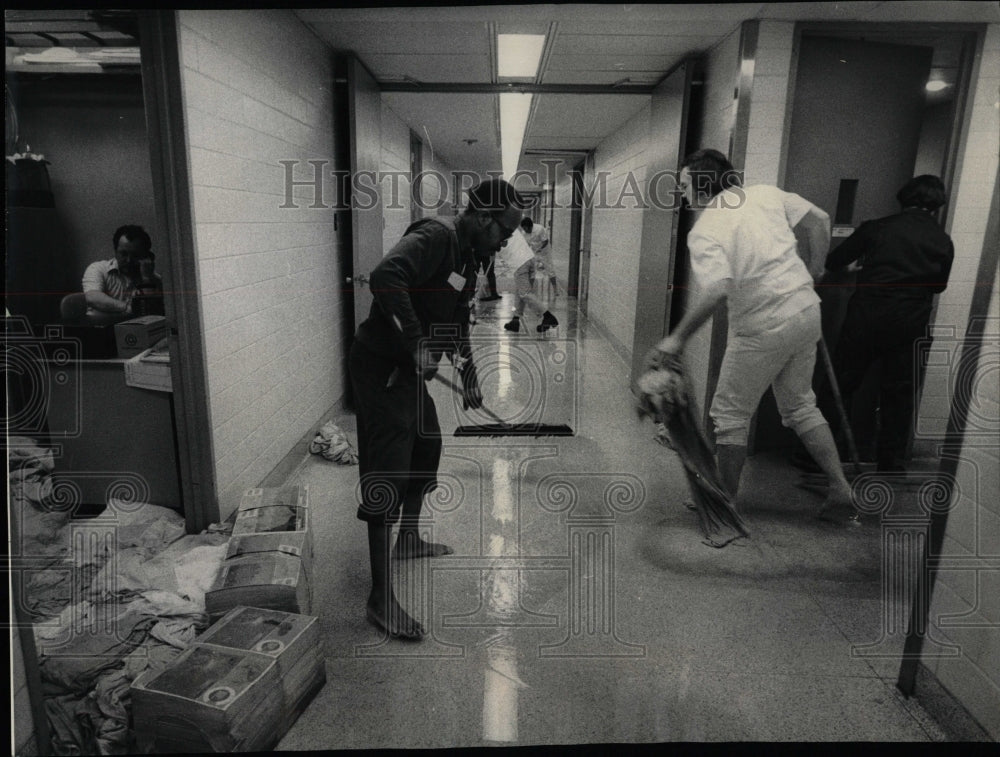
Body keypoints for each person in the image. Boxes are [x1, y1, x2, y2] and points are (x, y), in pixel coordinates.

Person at [350, 178, 525, 640]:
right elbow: (386, 277)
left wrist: (466, 371)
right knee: (386, 471)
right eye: (503, 232)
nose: (506, 242)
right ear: (483, 217)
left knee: (426, 445)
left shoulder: (472, 256)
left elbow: (454, 317)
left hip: (407, 371)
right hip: (381, 367)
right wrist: (415, 343)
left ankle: (408, 538)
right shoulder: (436, 237)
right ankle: (379, 597)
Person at [644, 149, 855, 519]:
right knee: (800, 404)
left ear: (700, 184)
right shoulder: (764, 194)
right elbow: (820, 220)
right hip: (806, 310)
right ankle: (840, 487)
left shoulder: (706, 229)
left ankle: (724, 499)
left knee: (730, 415)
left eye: (683, 184)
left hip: (762, 324)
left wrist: (676, 338)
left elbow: (716, 290)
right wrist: (816, 268)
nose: (682, 192)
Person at [821, 175, 954, 473]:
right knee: (899, 392)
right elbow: (939, 286)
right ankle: (890, 462)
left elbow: (835, 260)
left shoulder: (877, 228)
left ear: (904, 199)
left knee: (842, 382)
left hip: (868, 316)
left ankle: (822, 457)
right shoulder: (943, 241)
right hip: (910, 323)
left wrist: (856, 268)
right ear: (936, 205)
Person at [82, 225, 161, 317]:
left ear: (145, 256)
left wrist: (147, 279)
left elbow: (150, 314)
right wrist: (128, 308)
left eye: (135, 255)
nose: (128, 260)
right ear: (115, 251)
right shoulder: (98, 269)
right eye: (123, 254)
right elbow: (92, 297)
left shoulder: (154, 280)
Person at [503, 217, 558, 334]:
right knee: (520, 291)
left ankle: (547, 316)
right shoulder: (510, 227)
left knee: (525, 293)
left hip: (520, 263)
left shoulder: (496, 231)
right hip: (529, 259)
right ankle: (515, 320)